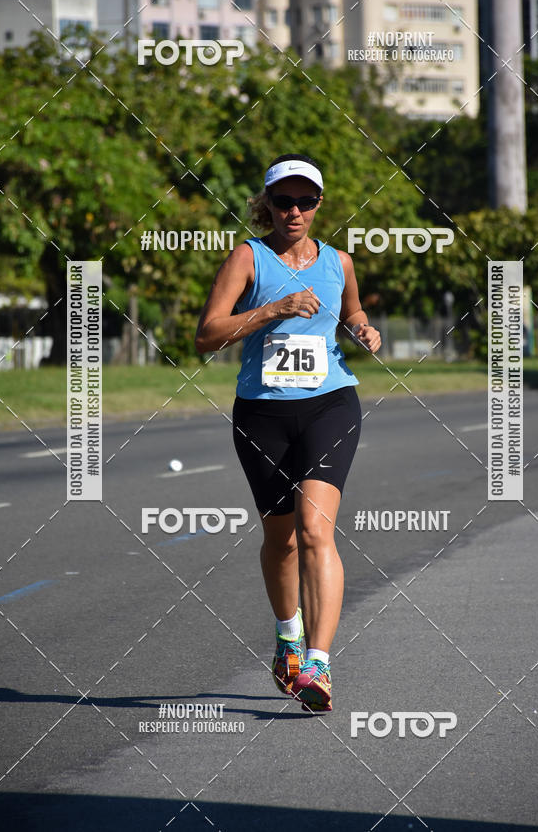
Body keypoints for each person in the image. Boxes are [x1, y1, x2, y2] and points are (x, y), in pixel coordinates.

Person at [195, 154, 381, 712]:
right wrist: (275, 307)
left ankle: (318, 665)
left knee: (315, 528)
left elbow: (351, 312)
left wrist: (364, 328)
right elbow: (208, 334)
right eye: (283, 201)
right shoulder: (249, 257)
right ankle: (287, 641)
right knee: (282, 540)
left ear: (320, 204)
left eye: (305, 201)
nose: (294, 211)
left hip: (331, 404)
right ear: (267, 204)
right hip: (262, 413)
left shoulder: (339, 261)